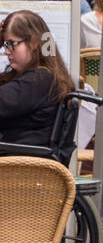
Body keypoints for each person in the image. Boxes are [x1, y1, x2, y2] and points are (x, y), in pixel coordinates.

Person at [0, 11, 76, 149]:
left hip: (16, 165)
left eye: (12, 43)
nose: (6, 51)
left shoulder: (38, 80)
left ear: (34, 42)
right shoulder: (46, 77)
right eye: (6, 44)